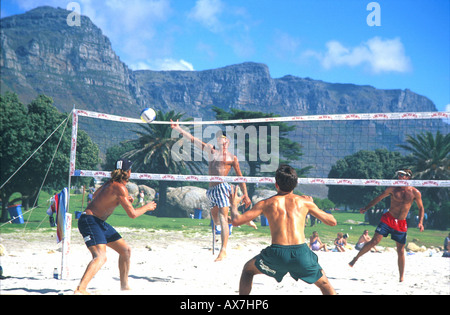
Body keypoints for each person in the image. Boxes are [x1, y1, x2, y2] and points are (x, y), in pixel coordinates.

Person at [229, 164, 337, 295]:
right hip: (301, 253)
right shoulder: (304, 202)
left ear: (276, 185)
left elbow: (236, 221)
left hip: (277, 254)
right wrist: (312, 205)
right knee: (324, 283)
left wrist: (234, 205)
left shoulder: (265, 203)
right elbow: (332, 222)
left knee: (248, 270)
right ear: (296, 183)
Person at [170, 120, 256, 261]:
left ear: (227, 141)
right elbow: (193, 140)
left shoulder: (232, 158)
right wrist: (179, 129)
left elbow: (240, 177)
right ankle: (242, 220)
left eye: (223, 138)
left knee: (222, 218)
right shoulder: (211, 150)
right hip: (211, 190)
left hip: (222, 187)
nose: (221, 141)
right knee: (216, 221)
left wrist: (245, 195)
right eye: (219, 138)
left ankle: (223, 250)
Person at [74, 159, 157, 295]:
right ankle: (80, 289)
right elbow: (133, 214)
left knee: (125, 250)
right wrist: (147, 207)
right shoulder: (120, 188)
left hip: (98, 222)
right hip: (90, 221)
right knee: (100, 256)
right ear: (128, 172)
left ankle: (124, 286)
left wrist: (119, 199)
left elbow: (96, 195)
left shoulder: (111, 183)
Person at [349, 169, 424, 282]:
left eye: (402, 175)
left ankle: (401, 277)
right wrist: (366, 208)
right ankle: (356, 258)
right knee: (374, 241)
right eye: (398, 175)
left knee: (401, 251)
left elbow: (421, 208)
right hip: (388, 219)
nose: (399, 177)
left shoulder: (415, 192)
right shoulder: (392, 189)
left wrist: (421, 222)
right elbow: (378, 198)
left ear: (408, 178)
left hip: (401, 223)